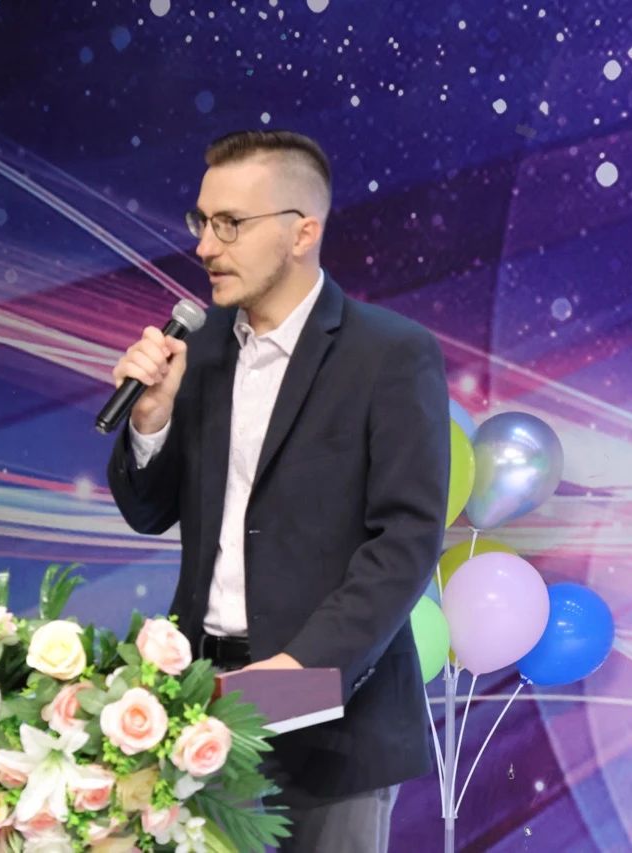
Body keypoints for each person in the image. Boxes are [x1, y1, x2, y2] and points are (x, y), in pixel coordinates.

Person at [106, 129, 449, 852]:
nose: (205, 246)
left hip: (334, 712)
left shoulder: (388, 352)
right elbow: (148, 510)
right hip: (200, 699)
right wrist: (150, 420)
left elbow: (407, 541)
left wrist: (301, 672)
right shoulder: (198, 348)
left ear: (302, 232)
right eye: (202, 221)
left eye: (231, 223)